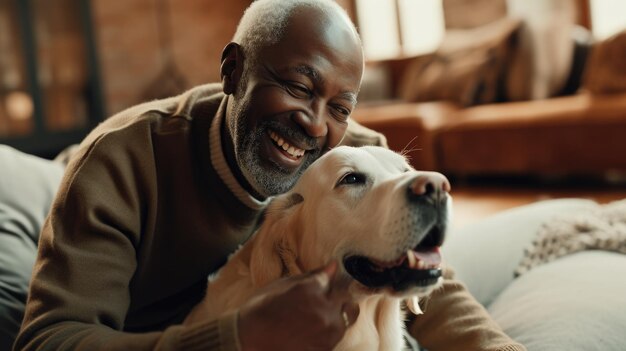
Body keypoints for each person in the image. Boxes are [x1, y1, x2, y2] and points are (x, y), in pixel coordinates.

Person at [14, 0, 525, 350]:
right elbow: (50, 339)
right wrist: (235, 338)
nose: (315, 123)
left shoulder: (357, 155)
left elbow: (421, 270)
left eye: (340, 106)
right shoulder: (121, 163)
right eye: (299, 87)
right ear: (233, 71)